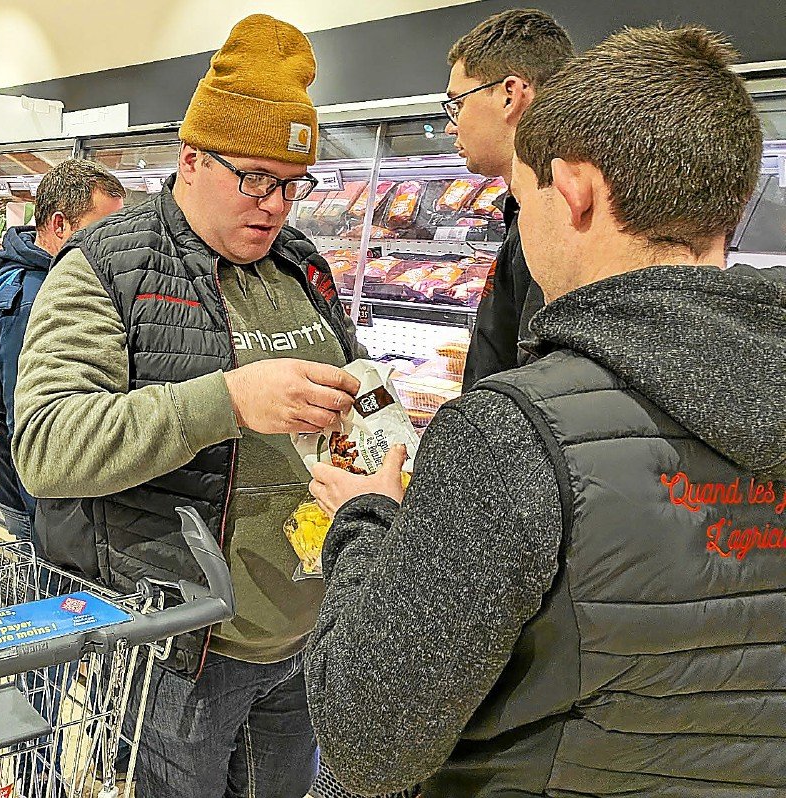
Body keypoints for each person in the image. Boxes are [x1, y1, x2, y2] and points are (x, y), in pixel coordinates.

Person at [305, 25, 785, 797]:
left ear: (574, 190)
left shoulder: (509, 436)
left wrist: (367, 522)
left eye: (525, 200)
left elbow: (368, 742)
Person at [13, 15, 363, 797]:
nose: (275, 206)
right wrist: (228, 399)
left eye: (293, 184)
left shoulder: (300, 264)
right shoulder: (106, 267)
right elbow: (44, 445)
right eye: (256, 179)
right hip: (179, 654)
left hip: (307, 637)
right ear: (192, 158)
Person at [0, 158, 125, 546]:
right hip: (39, 496)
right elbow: (30, 422)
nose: (113, 243)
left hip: (40, 486)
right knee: (32, 578)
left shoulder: (55, 281)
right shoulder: (34, 303)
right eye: (102, 229)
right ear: (59, 225)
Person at [444, 8, 573, 388]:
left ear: (509, 96)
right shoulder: (527, 206)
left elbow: (541, 377)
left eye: (458, 103)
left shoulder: (556, 215)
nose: (451, 125)